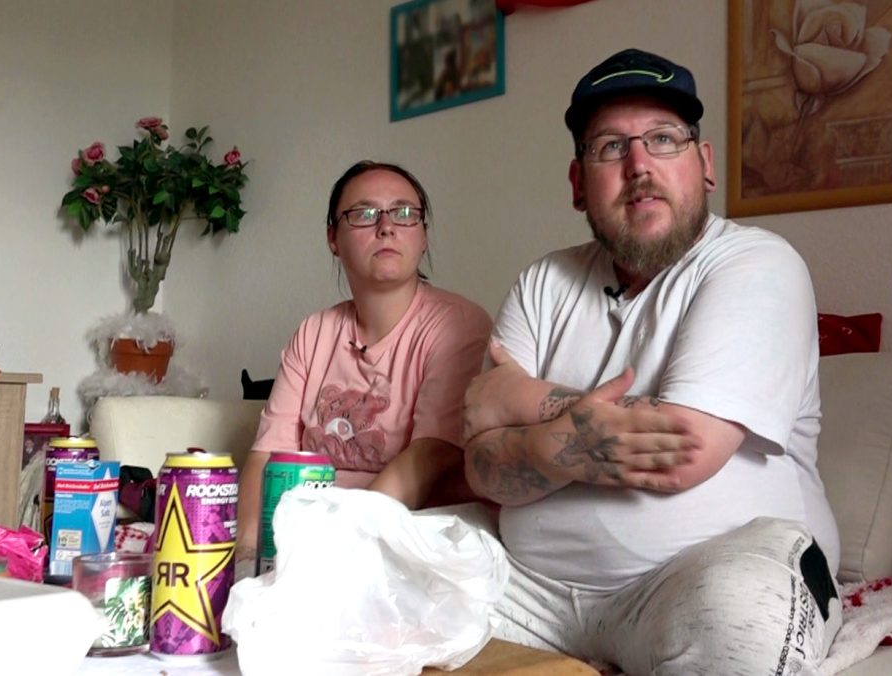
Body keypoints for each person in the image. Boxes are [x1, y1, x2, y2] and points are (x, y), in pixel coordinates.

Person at [462, 49, 842, 675]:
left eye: (664, 138)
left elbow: (681, 451)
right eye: (610, 147)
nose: (639, 165)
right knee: (346, 557)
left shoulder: (757, 263)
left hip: (693, 578)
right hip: (528, 591)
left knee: (745, 622)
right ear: (578, 182)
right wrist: (544, 440)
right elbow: (480, 466)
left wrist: (518, 405)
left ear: (705, 163)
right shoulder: (542, 282)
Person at [237, 160, 492, 566]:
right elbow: (266, 457)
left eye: (405, 213)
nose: (386, 226)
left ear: (423, 236)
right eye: (364, 213)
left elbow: (428, 457)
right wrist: (248, 560)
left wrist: (332, 552)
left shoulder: (458, 325)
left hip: (409, 539)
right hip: (310, 539)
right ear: (333, 238)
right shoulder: (313, 332)